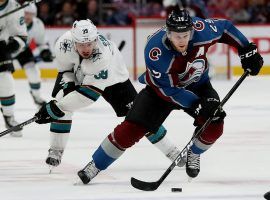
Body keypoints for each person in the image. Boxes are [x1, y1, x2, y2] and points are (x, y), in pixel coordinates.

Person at [71, 9, 262, 184]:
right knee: (131, 129)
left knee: (216, 121)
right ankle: (95, 165)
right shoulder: (155, 51)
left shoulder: (202, 30)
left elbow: (226, 28)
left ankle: (194, 153)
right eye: (177, 36)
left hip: (199, 85)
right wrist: (197, 105)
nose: (181, 40)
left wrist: (247, 49)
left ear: (192, 32)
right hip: (159, 93)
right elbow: (168, 91)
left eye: (185, 35)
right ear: (168, 33)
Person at [34, 19, 183, 170]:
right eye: (81, 44)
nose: (86, 49)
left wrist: (56, 108)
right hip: (78, 72)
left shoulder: (102, 57)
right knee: (61, 101)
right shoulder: (63, 43)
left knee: (140, 116)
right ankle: (56, 150)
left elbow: (87, 96)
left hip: (114, 77)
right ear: (73, 41)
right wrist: (58, 105)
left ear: (96, 39)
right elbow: (65, 70)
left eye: (90, 44)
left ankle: (171, 150)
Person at [15, 4, 52, 108]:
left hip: (23, 51)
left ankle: (37, 97)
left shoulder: (37, 24)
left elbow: (41, 42)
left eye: (30, 14)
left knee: (33, 72)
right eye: (26, 13)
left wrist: (45, 51)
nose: (27, 16)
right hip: (7, 50)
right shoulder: (14, 20)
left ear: (34, 15)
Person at [0, 0, 28, 137]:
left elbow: (21, 37)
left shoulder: (15, 7)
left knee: (6, 80)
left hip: (1, 47)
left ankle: (9, 116)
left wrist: (9, 46)